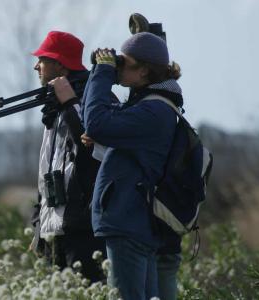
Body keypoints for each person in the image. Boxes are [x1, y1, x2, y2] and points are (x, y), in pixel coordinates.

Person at [55, 32, 183, 299]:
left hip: (129, 221)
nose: (119, 66)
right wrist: (98, 73)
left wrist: (103, 71)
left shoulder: (154, 111)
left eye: (124, 62)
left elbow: (96, 123)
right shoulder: (150, 106)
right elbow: (98, 123)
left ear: (145, 70)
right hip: (130, 220)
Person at [28, 31, 106, 283]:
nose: (36, 66)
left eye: (42, 59)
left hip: (81, 231)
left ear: (59, 64)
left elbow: (93, 150)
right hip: (54, 231)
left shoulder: (90, 103)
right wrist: (38, 225)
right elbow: (46, 171)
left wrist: (70, 102)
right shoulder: (54, 109)